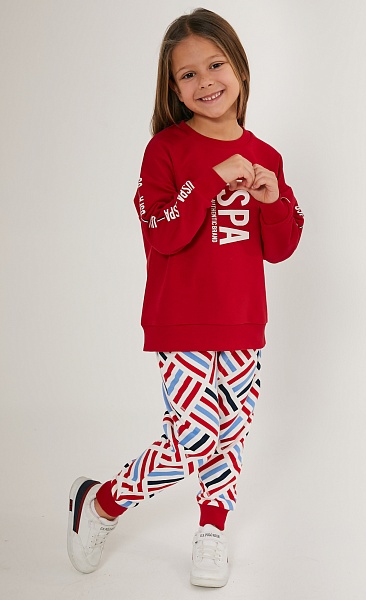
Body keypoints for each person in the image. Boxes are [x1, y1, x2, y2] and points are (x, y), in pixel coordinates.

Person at [67, 7, 304, 588]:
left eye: (215, 65)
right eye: (188, 74)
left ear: (239, 68)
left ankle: (212, 530)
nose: (205, 81)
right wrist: (207, 180)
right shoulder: (166, 151)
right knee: (194, 439)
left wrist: (273, 199)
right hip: (182, 322)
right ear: (173, 89)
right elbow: (163, 233)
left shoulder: (267, 155)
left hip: (243, 323)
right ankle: (101, 503)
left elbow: (280, 249)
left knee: (230, 435)